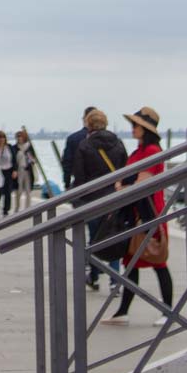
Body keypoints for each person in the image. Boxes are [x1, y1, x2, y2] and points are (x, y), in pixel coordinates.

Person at [112, 105, 173, 321]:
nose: (132, 128)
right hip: (135, 213)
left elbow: (142, 182)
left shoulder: (152, 152)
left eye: (135, 125)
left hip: (149, 213)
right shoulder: (138, 151)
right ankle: (123, 311)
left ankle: (168, 311)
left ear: (144, 129)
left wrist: (123, 185)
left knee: (158, 261)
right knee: (130, 262)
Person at [73, 109, 128, 289]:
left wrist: (78, 199)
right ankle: (114, 280)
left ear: (88, 125)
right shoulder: (118, 143)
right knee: (114, 235)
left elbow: (80, 177)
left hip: (92, 199)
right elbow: (125, 169)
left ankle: (94, 275)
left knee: (94, 238)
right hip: (114, 198)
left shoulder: (84, 145)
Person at [62, 108, 97, 190]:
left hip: (80, 184)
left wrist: (66, 183)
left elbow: (67, 163)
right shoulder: (112, 139)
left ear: (84, 119)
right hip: (104, 183)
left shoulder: (73, 139)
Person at [13, 128, 37, 212]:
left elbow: (34, 159)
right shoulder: (14, 148)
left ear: (24, 137)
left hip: (28, 171)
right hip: (18, 171)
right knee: (18, 191)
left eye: (21, 137)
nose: (19, 138)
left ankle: (27, 208)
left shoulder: (29, 147)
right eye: (18, 137)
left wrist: (31, 159)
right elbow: (13, 160)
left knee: (28, 190)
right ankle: (17, 208)